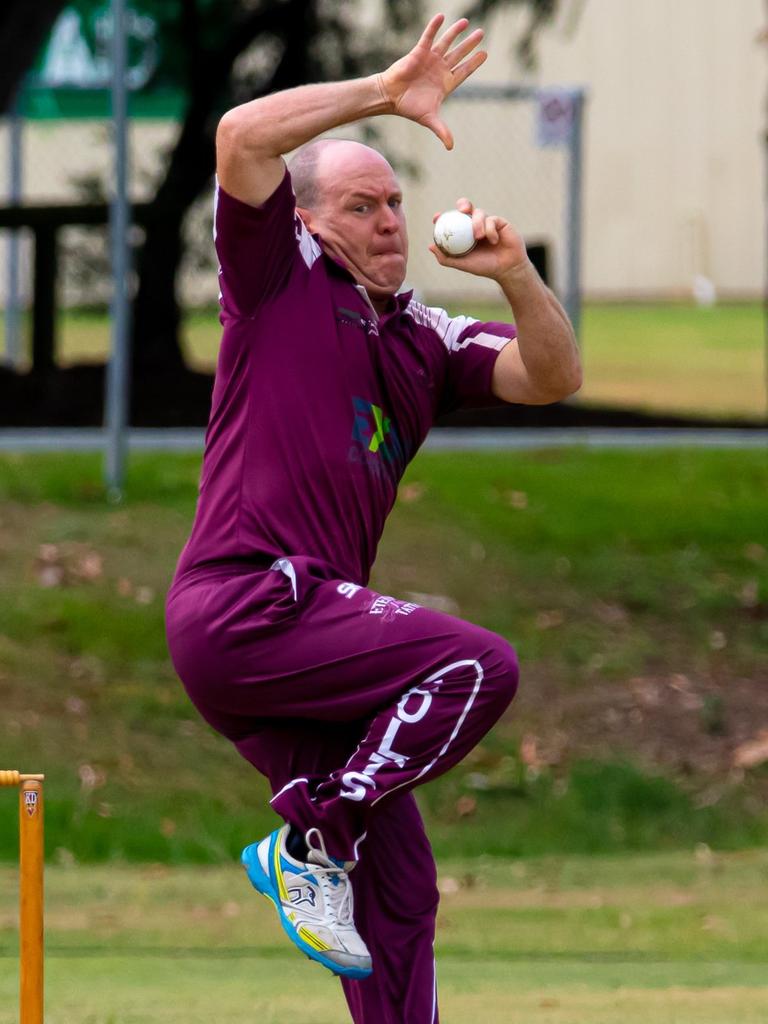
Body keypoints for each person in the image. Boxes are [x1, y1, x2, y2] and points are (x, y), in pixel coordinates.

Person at [165, 12, 581, 1023]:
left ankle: (329, 838)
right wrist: (387, 91)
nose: (391, 221)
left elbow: (553, 375)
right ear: (306, 223)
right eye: (362, 205)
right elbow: (238, 139)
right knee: (477, 663)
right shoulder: (275, 283)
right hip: (245, 602)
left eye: (395, 203)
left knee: (399, 896)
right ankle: (314, 831)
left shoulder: (423, 340)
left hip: (305, 643)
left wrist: (516, 274)